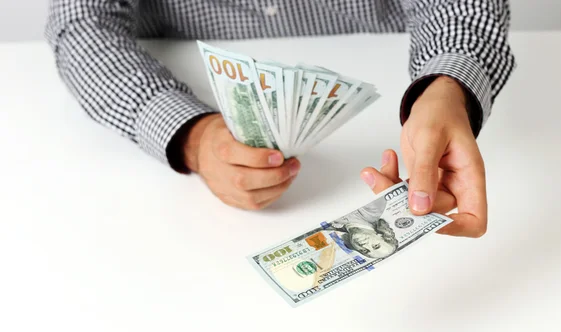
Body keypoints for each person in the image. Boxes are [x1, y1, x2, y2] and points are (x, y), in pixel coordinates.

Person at [45, 0, 515, 238]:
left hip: (392, 58)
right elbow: (82, 21)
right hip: (171, 72)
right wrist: (190, 134)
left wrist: (449, 84)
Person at [327, 196, 399, 259]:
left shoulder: (332, 227)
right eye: (376, 245)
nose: (364, 246)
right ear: (381, 235)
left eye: (364, 251)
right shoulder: (373, 209)